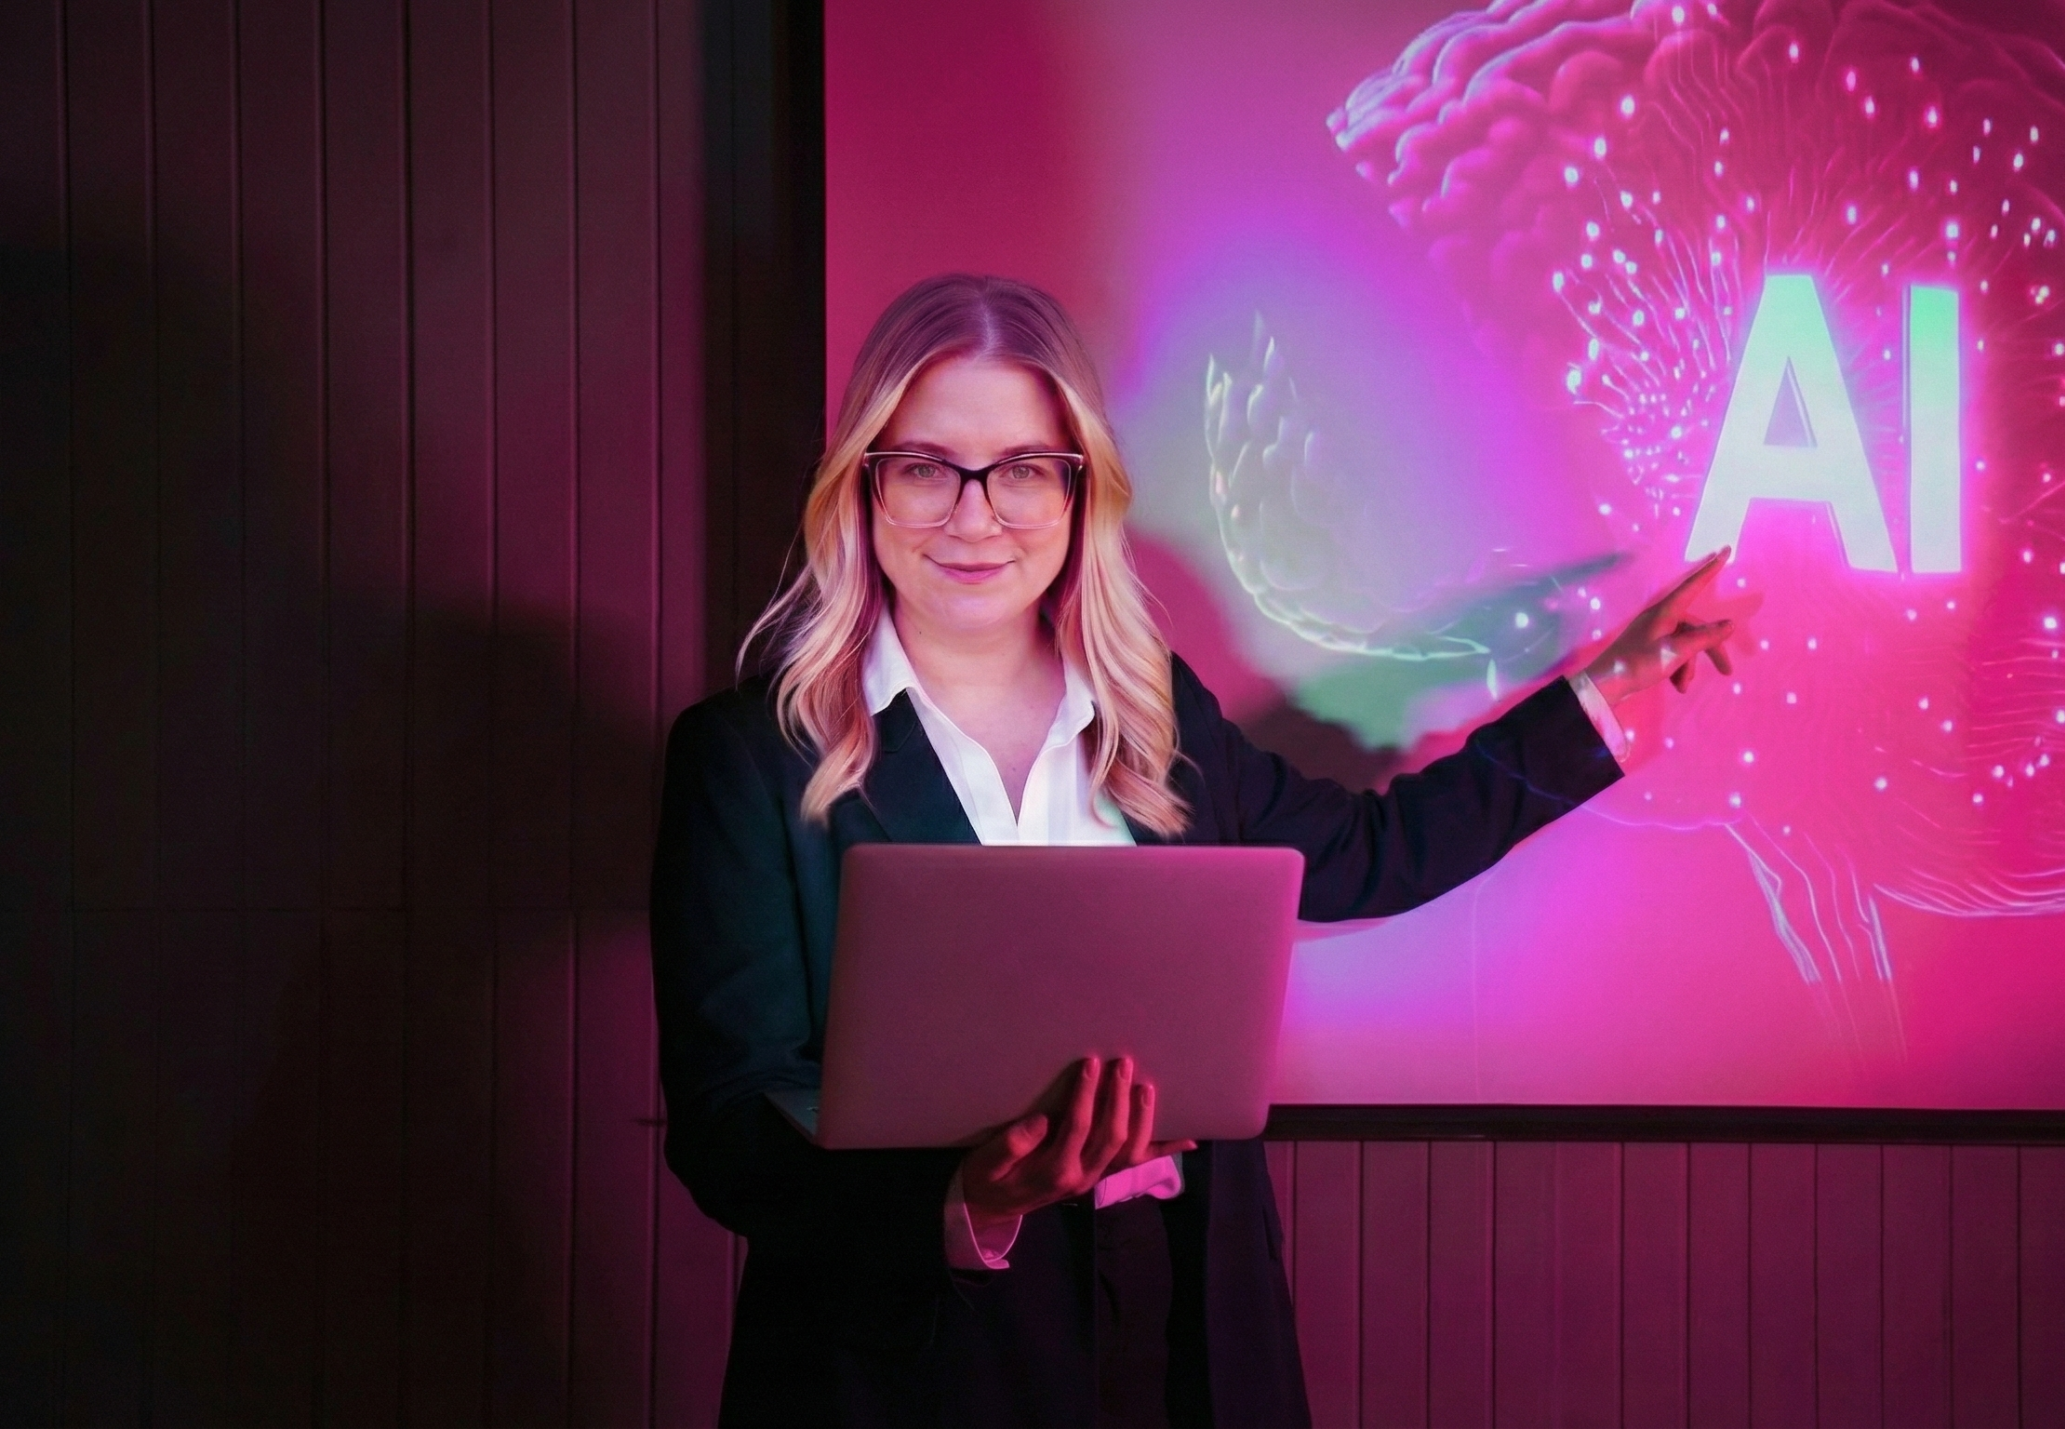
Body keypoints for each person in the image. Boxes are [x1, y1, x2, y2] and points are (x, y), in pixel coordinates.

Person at [649, 274, 1753, 1426]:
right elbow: (730, 1127)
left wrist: (1594, 711)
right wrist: (962, 1198)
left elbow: (1370, 853)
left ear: (1082, 492)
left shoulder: (1156, 716)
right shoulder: (750, 758)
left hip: (1178, 1332)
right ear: (863, 486)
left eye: (1024, 468)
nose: (974, 517)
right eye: (926, 467)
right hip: (897, 1363)